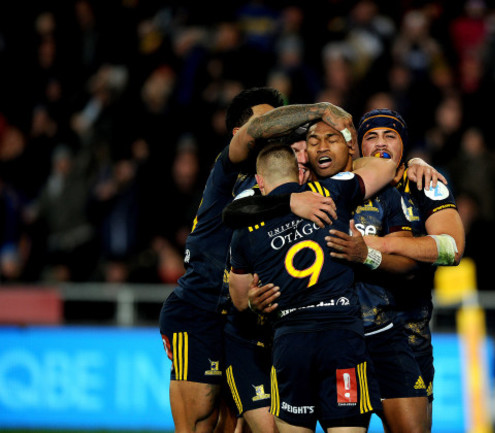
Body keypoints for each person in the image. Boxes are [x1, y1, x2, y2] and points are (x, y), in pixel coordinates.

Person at [158, 87, 358, 433]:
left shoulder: (298, 176)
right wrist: (320, 108)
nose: (277, 129)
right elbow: (236, 214)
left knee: (242, 426)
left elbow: (359, 172)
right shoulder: (230, 168)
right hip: (201, 307)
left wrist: (410, 162)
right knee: (201, 420)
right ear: (241, 133)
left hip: (256, 323)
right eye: (267, 122)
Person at [227, 128, 397, 433]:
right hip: (341, 335)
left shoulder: (244, 232)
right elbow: (386, 166)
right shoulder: (330, 191)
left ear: (260, 182)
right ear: (299, 173)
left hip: (291, 342)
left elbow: (240, 300)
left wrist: (253, 301)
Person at [356, 108, 466, 431]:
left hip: (411, 330)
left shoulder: (426, 183)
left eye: (389, 135)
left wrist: (383, 244)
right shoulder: (345, 185)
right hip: (354, 333)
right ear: (359, 148)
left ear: (403, 145)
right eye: (371, 137)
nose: (380, 144)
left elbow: (452, 248)